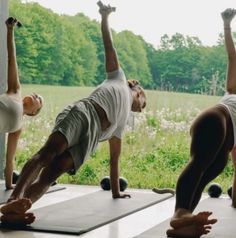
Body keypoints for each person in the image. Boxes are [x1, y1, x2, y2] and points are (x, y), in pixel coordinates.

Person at [0, 2, 146, 225]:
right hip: (84, 113)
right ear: (139, 91)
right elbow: (109, 45)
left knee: (52, 174)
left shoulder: (122, 123)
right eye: (143, 104)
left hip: (92, 139)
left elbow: (114, 160)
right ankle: (14, 199)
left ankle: (17, 210)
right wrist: (105, 16)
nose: (142, 109)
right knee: (47, 154)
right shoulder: (118, 77)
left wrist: (116, 193)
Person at [166, 8, 236, 237]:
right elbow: (232, 56)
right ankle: (179, 215)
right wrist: (227, 25)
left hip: (227, 135)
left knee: (209, 171)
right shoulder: (234, 88)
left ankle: (184, 223)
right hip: (217, 118)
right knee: (199, 165)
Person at [0, 17, 43, 190]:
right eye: (36, 94)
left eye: (39, 99)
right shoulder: (15, 90)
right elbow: (12, 59)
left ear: (33, 112)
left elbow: (9, 157)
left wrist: (9, 184)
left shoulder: (18, 128)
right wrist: (10, 31)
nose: (35, 95)